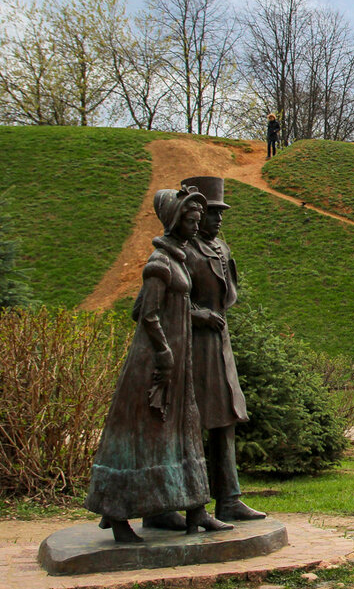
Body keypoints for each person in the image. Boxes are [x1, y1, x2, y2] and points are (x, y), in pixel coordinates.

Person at [85, 187, 232, 542]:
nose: (197, 227)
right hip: (155, 362)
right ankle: (118, 517)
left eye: (199, 220)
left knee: (184, 432)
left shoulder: (177, 258)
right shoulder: (159, 263)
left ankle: (198, 511)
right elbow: (145, 315)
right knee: (143, 437)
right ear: (175, 221)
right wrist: (165, 352)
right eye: (192, 220)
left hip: (178, 358)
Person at [182, 175, 265, 523]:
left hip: (219, 344)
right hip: (190, 346)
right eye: (211, 213)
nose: (217, 220)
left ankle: (229, 498)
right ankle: (187, 503)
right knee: (190, 424)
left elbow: (229, 292)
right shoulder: (181, 250)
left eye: (220, 214)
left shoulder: (222, 248)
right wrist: (196, 315)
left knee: (225, 418)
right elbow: (160, 305)